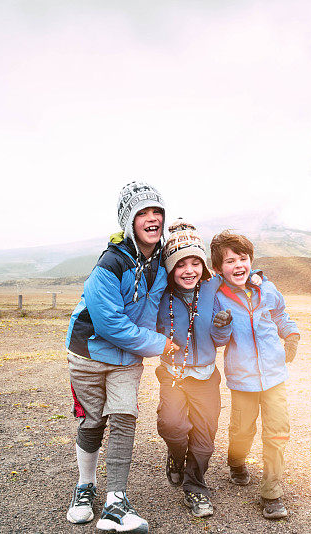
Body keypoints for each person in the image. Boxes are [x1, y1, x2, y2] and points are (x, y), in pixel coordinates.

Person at [64, 181, 179, 533]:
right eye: (142, 213)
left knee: (125, 416)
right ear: (129, 221)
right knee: (94, 421)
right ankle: (85, 487)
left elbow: (193, 273)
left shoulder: (162, 260)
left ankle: (116, 501)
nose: (151, 219)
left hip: (128, 357)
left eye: (156, 211)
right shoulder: (111, 263)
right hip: (89, 353)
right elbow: (109, 323)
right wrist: (159, 344)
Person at [210, 230, 301, 520]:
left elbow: (281, 315)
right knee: (242, 430)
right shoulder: (218, 297)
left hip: (274, 375)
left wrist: (292, 335)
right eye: (229, 261)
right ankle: (236, 461)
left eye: (243, 258)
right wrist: (221, 325)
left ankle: (271, 493)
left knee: (277, 432)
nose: (238, 265)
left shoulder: (268, 289)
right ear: (218, 268)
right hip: (243, 378)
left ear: (251, 260)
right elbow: (218, 338)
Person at [155, 220, 223, 518]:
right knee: (172, 425)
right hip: (173, 375)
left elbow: (240, 274)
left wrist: (259, 278)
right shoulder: (160, 295)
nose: (189, 270)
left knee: (205, 437)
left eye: (196, 262)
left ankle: (195, 487)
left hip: (206, 376)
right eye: (181, 263)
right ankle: (176, 454)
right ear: (170, 268)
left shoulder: (212, 287)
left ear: (204, 267)